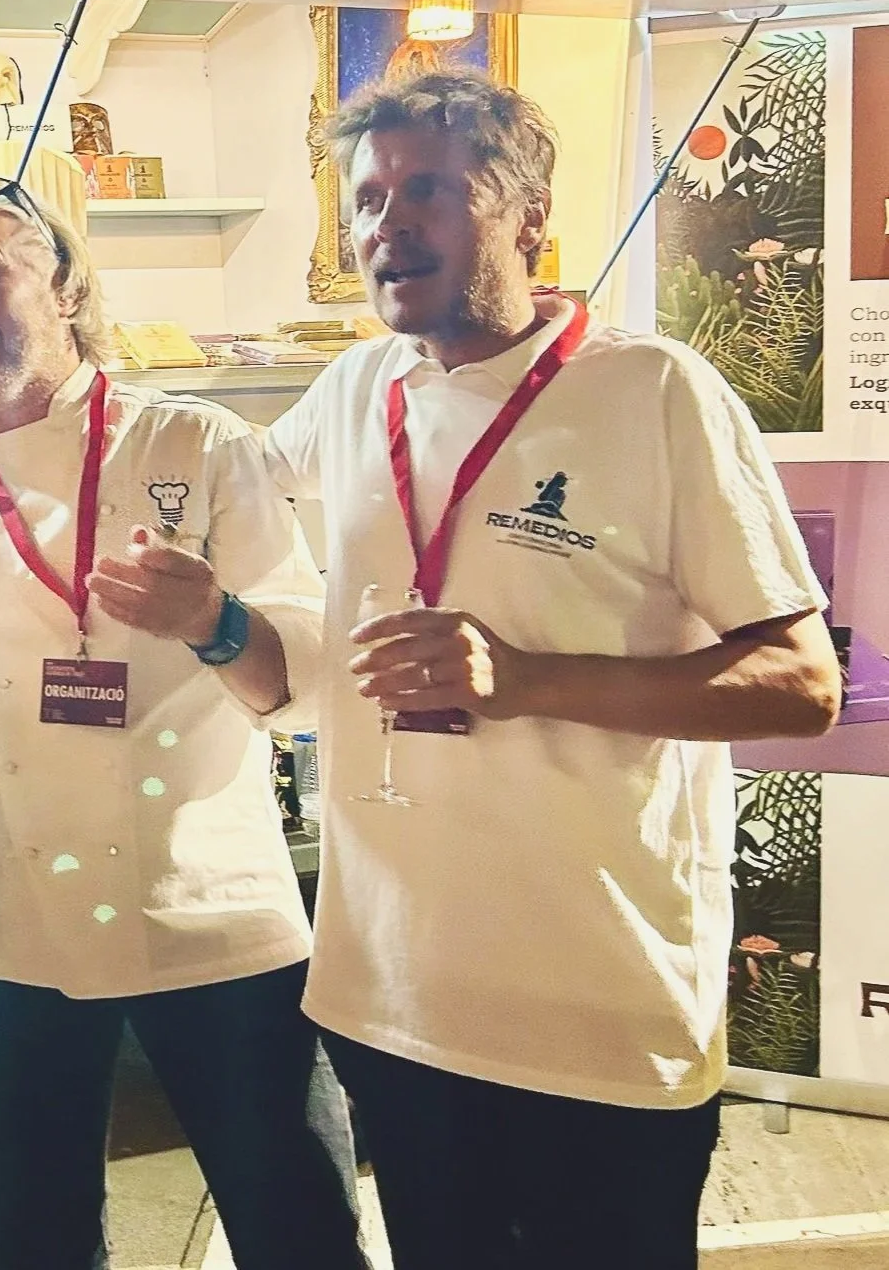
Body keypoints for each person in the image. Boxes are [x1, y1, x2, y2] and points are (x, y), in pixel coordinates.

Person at [264, 71, 840, 1269]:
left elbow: (800, 682)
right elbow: (222, 500)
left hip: (596, 1013)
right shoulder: (353, 387)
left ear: (524, 211)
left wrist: (520, 679)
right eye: (366, 199)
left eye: (427, 190)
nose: (385, 224)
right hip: (395, 996)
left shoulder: (653, 392)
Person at [0, 180, 364, 1270]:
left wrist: (217, 623)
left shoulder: (195, 442)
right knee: (37, 1240)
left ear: (66, 285)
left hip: (211, 907)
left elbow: (309, 676)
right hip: (14, 919)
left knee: (299, 1225)